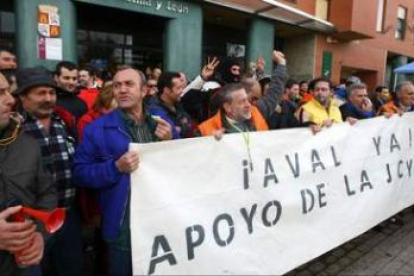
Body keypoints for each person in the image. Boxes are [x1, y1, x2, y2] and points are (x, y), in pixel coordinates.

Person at [73, 67, 172, 276]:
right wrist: (115, 167)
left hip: (162, 219)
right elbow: (80, 173)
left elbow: (181, 164)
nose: (122, 90)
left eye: (129, 84)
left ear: (144, 91)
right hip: (124, 226)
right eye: (117, 85)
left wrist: (170, 142)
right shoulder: (97, 129)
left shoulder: (162, 121)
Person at [16, 66, 82, 276]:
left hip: (68, 214)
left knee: (71, 269)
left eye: (51, 92)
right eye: (40, 93)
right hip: (31, 223)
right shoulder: (13, 128)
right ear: (23, 98)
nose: (48, 98)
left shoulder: (64, 121)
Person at [0, 72, 56, 275]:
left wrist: (40, 234)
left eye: (8, 91)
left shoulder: (27, 143)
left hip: (26, 262)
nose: (10, 100)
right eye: (0, 93)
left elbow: (47, 192)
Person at [198, 50, 287, 136]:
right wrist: (201, 78)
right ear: (227, 107)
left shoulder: (256, 112)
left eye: (248, 100)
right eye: (242, 101)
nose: (250, 105)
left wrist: (281, 64)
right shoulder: (206, 132)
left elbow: (274, 93)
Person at [148, 72, 198, 139]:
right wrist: (179, 129)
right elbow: (174, 135)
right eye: (178, 88)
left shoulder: (177, 103)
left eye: (181, 87)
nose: (181, 91)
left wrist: (180, 129)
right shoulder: (155, 109)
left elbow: (189, 124)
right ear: (167, 90)